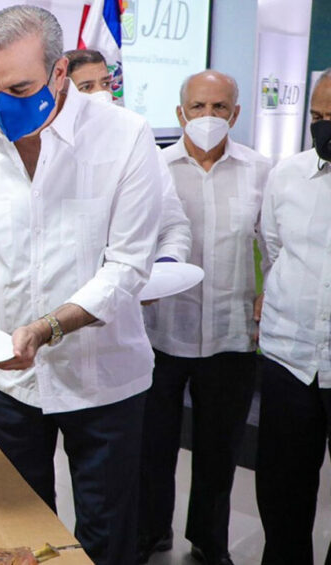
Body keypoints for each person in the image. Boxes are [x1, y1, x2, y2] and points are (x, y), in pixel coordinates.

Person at [0, 6, 162, 564]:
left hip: (105, 378)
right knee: (18, 524)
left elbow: (127, 268)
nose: (2, 105)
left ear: (59, 72)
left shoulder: (124, 137)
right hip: (10, 381)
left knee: (106, 530)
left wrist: (45, 328)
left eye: (19, 88)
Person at [138, 71, 271, 565]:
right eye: (198, 107)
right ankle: (151, 530)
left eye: (219, 108)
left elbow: (273, 246)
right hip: (159, 333)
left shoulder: (261, 170)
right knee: (154, 446)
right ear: (180, 113)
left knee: (220, 450)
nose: (208, 117)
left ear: (235, 114)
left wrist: (267, 298)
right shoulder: (152, 167)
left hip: (231, 335)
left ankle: (209, 538)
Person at [255, 69, 331, 565]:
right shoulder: (286, 175)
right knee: (282, 494)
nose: (323, 127)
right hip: (290, 359)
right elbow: (274, 248)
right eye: (318, 117)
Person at [65, 48, 191, 265]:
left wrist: (166, 263)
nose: (101, 94)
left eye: (105, 84)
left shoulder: (138, 144)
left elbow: (173, 226)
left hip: (130, 288)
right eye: (87, 87)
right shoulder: (52, 151)